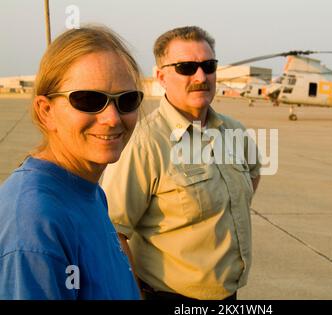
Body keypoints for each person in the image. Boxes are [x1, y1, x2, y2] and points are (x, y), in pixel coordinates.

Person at [100, 26, 261, 300]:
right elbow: (113, 231)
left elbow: (253, 173)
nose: (201, 76)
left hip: (229, 295)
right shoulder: (144, 142)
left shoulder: (233, 131)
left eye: (208, 66)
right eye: (186, 67)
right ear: (161, 76)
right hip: (169, 295)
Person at [0, 26, 144, 299]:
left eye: (127, 100)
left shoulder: (88, 190)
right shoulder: (33, 224)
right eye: (89, 100)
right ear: (46, 112)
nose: (112, 118)